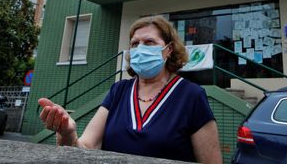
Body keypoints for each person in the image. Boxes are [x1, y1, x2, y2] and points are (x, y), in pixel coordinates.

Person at [39, 15, 222, 163]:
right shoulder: (118, 90)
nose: (140, 49)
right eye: (135, 44)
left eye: (149, 42)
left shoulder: (191, 95)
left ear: (169, 50)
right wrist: (68, 133)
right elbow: (86, 148)